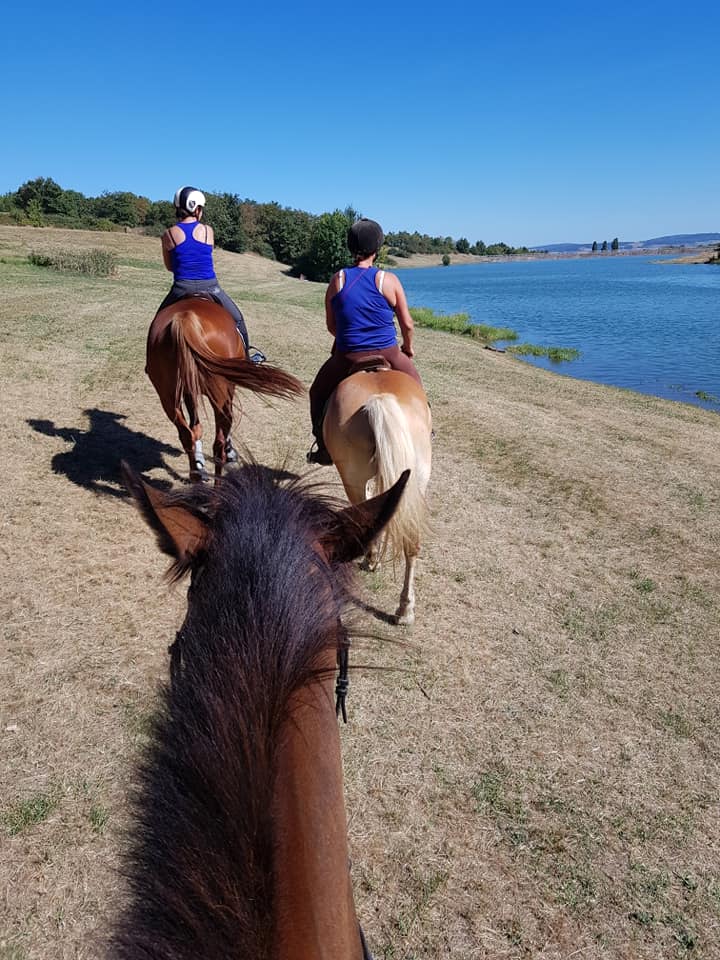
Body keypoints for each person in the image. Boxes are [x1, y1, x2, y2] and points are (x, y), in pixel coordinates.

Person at [307, 217, 425, 464]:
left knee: (317, 392)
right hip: (389, 353)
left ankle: (323, 446)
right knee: (416, 386)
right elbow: (408, 324)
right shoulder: (388, 280)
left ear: (351, 247)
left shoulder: (337, 280)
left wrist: (348, 338)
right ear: (377, 248)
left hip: (347, 355)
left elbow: (331, 325)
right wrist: (408, 348)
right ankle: (425, 431)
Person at [155, 186, 261, 359]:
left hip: (181, 288)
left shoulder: (168, 235)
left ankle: (152, 362)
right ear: (196, 209)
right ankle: (247, 359)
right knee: (238, 319)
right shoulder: (207, 231)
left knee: (157, 323)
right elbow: (206, 253)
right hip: (211, 287)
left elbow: (170, 267)